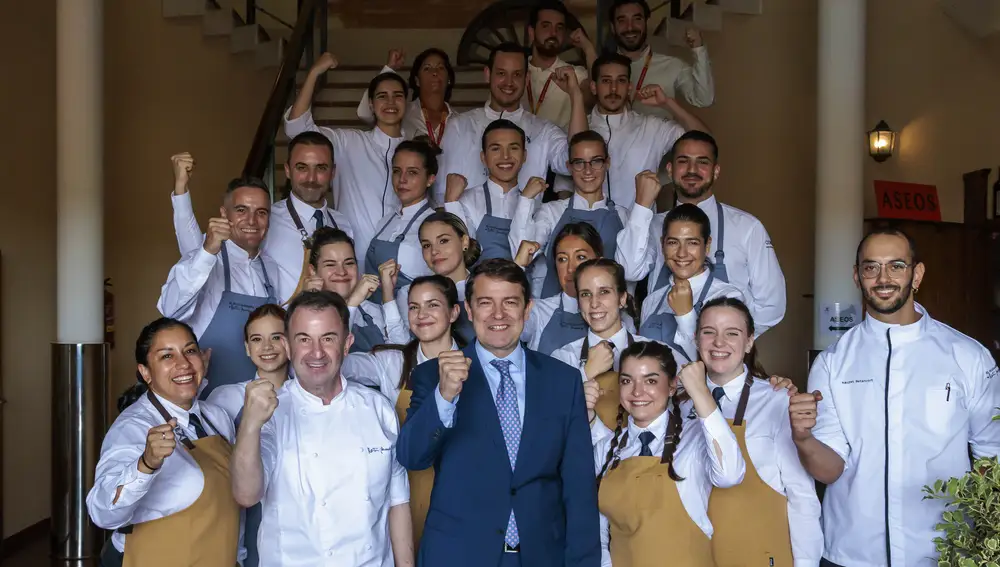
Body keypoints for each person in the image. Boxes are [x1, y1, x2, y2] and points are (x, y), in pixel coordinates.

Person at [789, 228, 1000, 567]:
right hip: (852, 553)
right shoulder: (831, 363)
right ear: (857, 277)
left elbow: (993, 456)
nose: (883, 278)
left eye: (896, 266)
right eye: (871, 267)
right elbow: (829, 471)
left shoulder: (968, 356)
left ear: (917, 275)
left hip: (945, 553)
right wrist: (802, 438)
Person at [397, 258, 600, 567]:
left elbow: (578, 487)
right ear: (468, 310)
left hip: (541, 556)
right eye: (485, 303)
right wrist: (445, 396)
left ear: (527, 308)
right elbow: (412, 456)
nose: (498, 315)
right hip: (458, 556)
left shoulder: (563, 380)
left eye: (510, 302)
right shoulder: (432, 375)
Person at [230, 290, 414, 566]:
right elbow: (246, 494)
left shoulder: (379, 409)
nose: (316, 352)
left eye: (328, 338)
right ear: (289, 347)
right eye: (304, 339)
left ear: (346, 344)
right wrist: (250, 425)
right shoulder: (270, 412)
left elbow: (397, 503)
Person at [89, 318, 240, 567]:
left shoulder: (217, 417)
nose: (183, 364)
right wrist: (146, 464)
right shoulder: (133, 427)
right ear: (146, 373)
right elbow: (102, 513)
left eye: (190, 351)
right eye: (167, 356)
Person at [590, 342, 745, 567]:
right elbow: (599, 529)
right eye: (627, 381)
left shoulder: (693, 440)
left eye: (650, 381)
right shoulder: (606, 450)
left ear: (672, 386)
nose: (637, 391)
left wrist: (700, 391)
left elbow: (731, 475)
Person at [695, 297, 822, 566]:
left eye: (732, 333)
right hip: (697, 555)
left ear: (750, 341)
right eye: (709, 332)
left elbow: (801, 496)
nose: (719, 343)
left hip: (761, 552)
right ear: (696, 340)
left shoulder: (777, 400)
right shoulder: (681, 404)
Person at [619, 131, 787, 335]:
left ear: (716, 171)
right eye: (683, 161)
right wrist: (642, 206)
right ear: (670, 170)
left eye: (702, 162)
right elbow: (628, 270)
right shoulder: (653, 223)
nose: (692, 170)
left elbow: (772, 306)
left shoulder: (747, 228)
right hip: (659, 351)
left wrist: (731, 345)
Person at [341, 275, 465, 548]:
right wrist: (351, 304)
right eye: (413, 307)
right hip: (404, 492)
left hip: (462, 495)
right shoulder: (392, 361)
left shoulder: (476, 363)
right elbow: (332, 363)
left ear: (454, 312)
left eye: (432, 305)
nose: (422, 315)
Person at [171, 136, 354, 305]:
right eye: (302, 167)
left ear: (333, 172)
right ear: (288, 170)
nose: (311, 178)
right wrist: (181, 191)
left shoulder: (342, 223)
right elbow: (194, 253)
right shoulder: (263, 218)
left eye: (321, 168)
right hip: (279, 330)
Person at [156, 176, 281, 398]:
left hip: (261, 400)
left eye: (261, 212)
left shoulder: (270, 268)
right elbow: (170, 310)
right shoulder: (202, 256)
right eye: (241, 210)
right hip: (208, 401)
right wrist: (207, 252)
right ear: (224, 214)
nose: (252, 221)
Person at [432, 42, 587, 205]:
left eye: (517, 74)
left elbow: (579, 158)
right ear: (487, 74)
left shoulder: (543, 129)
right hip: (468, 228)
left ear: (527, 79)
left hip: (527, 228)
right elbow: (441, 191)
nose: (509, 82)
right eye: (501, 73)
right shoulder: (459, 126)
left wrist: (576, 95)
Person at [285, 53, 408, 257]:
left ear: (406, 101)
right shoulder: (347, 142)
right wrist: (314, 73)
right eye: (381, 96)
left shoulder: (414, 151)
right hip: (353, 260)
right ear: (370, 104)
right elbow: (296, 129)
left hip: (403, 260)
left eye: (398, 95)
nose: (390, 102)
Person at [202, 303, 288, 567]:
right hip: (241, 514)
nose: (267, 347)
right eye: (257, 339)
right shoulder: (225, 397)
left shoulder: (308, 398)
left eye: (276, 337)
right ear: (247, 348)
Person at [510, 130, 632, 299]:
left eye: (595, 161)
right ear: (569, 166)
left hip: (606, 315)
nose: (587, 170)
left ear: (607, 163)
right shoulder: (552, 212)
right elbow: (520, 253)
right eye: (579, 163)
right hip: (555, 314)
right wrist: (525, 201)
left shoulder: (624, 216)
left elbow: (632, 271)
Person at [587, 52, 708, 211]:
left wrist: (668, 104)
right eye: (606, 81)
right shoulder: (580, 127)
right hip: (589, 232)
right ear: (594, 87)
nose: (614, 88)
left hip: (642, 231)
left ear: (629, 87)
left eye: (621, 81)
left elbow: (705, 141)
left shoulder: (651, 126)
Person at [551, 258, 657, 426]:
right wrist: (585, 373)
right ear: (578, 303)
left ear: (622, 299)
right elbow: (549, 417)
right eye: (586, 294)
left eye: (604, 292)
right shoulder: (562, 358)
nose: (594, 303)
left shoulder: (654, 352)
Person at [639, 203, 745, 364]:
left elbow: (721, 365)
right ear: (662, 244)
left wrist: (686, 315)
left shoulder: (729, 297)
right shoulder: (651, 301)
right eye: (673, 242)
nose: (682, 253)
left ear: (707, 245)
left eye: (692, 243)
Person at [517, 222, 635, 355]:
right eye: (562, 259)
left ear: (598, 261)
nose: (571, 268)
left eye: (580, 257)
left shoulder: (620, 318)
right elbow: (504, 328)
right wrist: (518, 267)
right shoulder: (538, 312)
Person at [386, 212, 481, 345]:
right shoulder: (409, 293)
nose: (434, 251)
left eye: (443, 241)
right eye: (426, 245)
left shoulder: (484, 288)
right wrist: (388, 295)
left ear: (464, 241)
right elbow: (402, 347)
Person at [443, 119, 530, 262]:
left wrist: (527, 200)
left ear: (524, 156)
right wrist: (451, 202)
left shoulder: (533, 204)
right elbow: (460, 255)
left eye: (513, 148)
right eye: (496, 149)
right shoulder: (466, 200)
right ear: (483, 157)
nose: (506, 156)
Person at [304, 227, 404, 350]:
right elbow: (332, 355)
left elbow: (401, 353)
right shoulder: (301, 315)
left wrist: (388, 292)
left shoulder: (371, 310)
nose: (341, 272)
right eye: (330, 264)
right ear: (313, 271)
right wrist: (352, 304)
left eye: (349, 263)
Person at [608, 0, 714, 115]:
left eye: (637, 19)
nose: (630, 27)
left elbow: (704, 100)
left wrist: (699, 49)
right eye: (622, 20)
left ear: (646, 23)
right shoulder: (601, 69)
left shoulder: (673, 65)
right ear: (612, 27)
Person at [366, 140, 438, 304]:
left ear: (430, 179)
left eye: (412, 172)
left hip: (410, 319)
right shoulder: (385, 221)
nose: (402, 180)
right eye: (397, 171)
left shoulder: (435, 225)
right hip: (374, 316)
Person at [357, 48, 456, 146]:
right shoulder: (401, 111)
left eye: (441, 68)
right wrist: (389, 69)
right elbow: (364, 113)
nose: (434, 72)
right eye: (427, 68)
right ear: (417, 81)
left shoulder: (459, 120)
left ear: (449, 79)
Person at [524, 0, 595, 129]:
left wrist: (588, 48)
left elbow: (595, 97)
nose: (553, 33)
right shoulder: (516, 71)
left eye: (559, 28)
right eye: (546, 26)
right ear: (531, 32)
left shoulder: (573, 74)